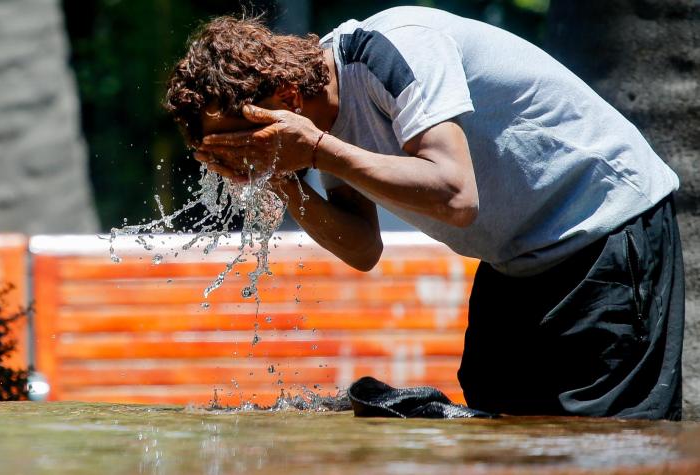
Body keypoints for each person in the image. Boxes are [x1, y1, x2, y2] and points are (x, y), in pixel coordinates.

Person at [164, 7, 684, 420]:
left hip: (606, 229)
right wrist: (279, 177)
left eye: (247, 142)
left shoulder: (394, 49)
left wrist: (316, 150)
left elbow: (456, 196)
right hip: (519, 260)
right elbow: (362, 248)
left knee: (610, 442)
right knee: (498, 424)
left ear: (286, 97)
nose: (248, 157)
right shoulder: (321, 122)